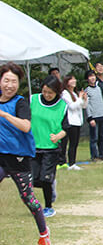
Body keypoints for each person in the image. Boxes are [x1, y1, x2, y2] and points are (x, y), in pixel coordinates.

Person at [0, 63, 51, 245]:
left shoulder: (20, 103)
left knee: (27, 197)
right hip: (1, 156)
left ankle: (44, 233)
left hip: (18, 158)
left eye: (13, 81)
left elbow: (26, 126)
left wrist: (4, 114)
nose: (9, 85)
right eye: (6, 80)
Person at [30, 75, 68, 217]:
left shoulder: (62, 106)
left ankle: (48, 207)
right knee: (34, 180)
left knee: (45, 179)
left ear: (57, 92)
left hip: (51, 149)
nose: (46, 95)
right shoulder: (33, 100)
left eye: (50, 93)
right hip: (34, 147)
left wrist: (58, 136)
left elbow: (66, 128)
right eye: (44, 91)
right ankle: (51, 184)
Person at [60, 74, 86, 171]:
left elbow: (83, 106)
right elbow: (72, 106)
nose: (74, 81)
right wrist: (79, 98)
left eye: (74, 79)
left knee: (74, 143)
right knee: (69, 143)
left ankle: (72, 162)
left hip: (78, 121)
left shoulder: (74, 94)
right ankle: (69, 163)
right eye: (71, 79)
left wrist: (84, 99)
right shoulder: (65, 93)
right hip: (70, 121)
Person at [84, 70, 103, 162]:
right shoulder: (87, 90)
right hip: (94, 117)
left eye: (93, 76)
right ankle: (94, 156)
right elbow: (87, 105)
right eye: (90, 76)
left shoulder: (98, 88)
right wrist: (90, 118)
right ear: (87, 79)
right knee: (94, 138)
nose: (92, 78)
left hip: (102, 115)